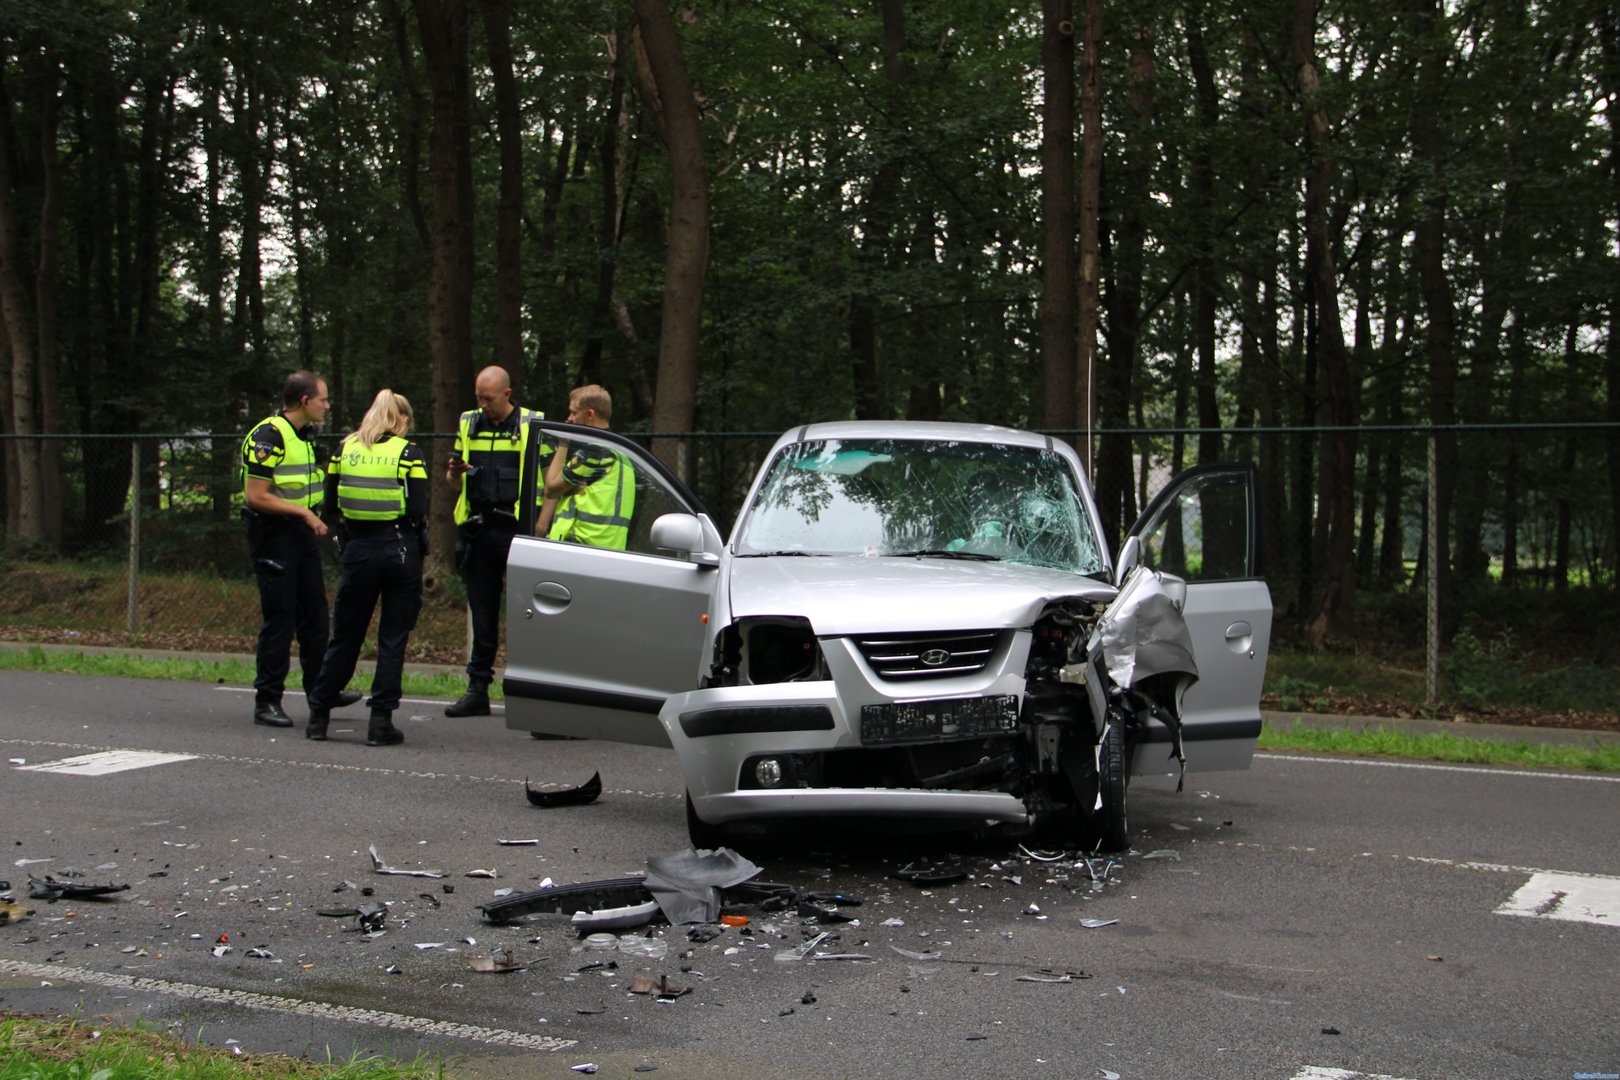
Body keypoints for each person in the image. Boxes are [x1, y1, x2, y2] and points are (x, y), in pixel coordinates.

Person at [305, 390, 429, 747]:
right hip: (398, 549)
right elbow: (417, 510)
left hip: (357, 549)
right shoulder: (408, 454)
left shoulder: (344, 450)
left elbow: (330, 504)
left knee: (345, 635)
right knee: (392, 638)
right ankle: (380, 723)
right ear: (401, 419)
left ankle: (318, 716)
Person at [241, 371, 360, 728]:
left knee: (315, 615)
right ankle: (267, 700)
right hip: (274, 534)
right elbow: (256, 496)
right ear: (305, 401)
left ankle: (320, 692)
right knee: (280, 617)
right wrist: (303, 513)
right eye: (323, 399)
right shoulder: (268, 436)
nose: (327, 405)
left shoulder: (304, 436)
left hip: (301, 533)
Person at [443, 366, 546, 717]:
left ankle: (531, 691)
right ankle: (477, 689)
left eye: (488, 398)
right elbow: (454, 482)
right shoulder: (468, 422)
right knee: (482, 612)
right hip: (479, 528)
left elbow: (550, 479)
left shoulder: (533, 424)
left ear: (507, 393)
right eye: (478, 397)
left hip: (518, 529)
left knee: (528, 613)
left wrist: (540, 526)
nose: (482, 404)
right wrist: (454, 474)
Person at [541, 384, 636, 549]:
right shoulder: (622, 452)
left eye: (573, 412)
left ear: (590, 414)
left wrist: (564, 442)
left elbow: (551, 489)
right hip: (608, 547)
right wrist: (570, 488)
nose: (569, 419)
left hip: (581, 545)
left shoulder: (595, 451)